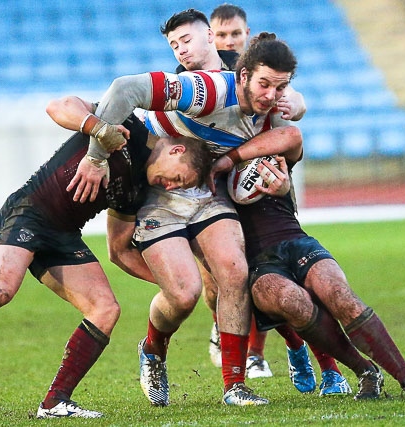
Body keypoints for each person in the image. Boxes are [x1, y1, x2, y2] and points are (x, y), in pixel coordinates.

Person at [0, 104, 212, 418]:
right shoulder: (126, 125)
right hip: (29, 213)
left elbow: (120, 250)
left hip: (63, 235)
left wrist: (169, 283)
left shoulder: (137, 190)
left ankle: (55, 402)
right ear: (177, 149)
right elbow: (59, 105)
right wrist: (97, 127)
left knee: (105, 309)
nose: (169, 186)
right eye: (178, 179)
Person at [67, 30, 304, 407]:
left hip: (208, 193)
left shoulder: (271, 103)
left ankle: (235, 385)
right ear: (242, 76)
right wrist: (95, 156)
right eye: (265, 86)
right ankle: (153, 350)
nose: (272, 96)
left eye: (280, 89)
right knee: (182, 295)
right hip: (161, 193)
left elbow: (292, 129)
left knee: (233, 272)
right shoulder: (207, 90)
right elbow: (125, 88)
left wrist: (294, 104)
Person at [168, 8, 349, 395]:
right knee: (245, 282)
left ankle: (324, 364)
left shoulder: (253, 72)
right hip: (220, 196)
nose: (229, 42)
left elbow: (292, 103)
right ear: (209, 37)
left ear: (245, 35)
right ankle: (288, 346)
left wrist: (296, 106)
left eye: (235, 34)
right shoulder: (185, 85)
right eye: (221, 35)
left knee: (287, 277)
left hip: (265, 186)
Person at [225, 145, 405, 401]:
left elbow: (293, 136)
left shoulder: (267, 137)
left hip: (297, 240)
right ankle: (365, 372)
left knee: (338, 293)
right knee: (290, 301)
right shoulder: (204, 154)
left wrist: (232, 158)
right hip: (258, 261)